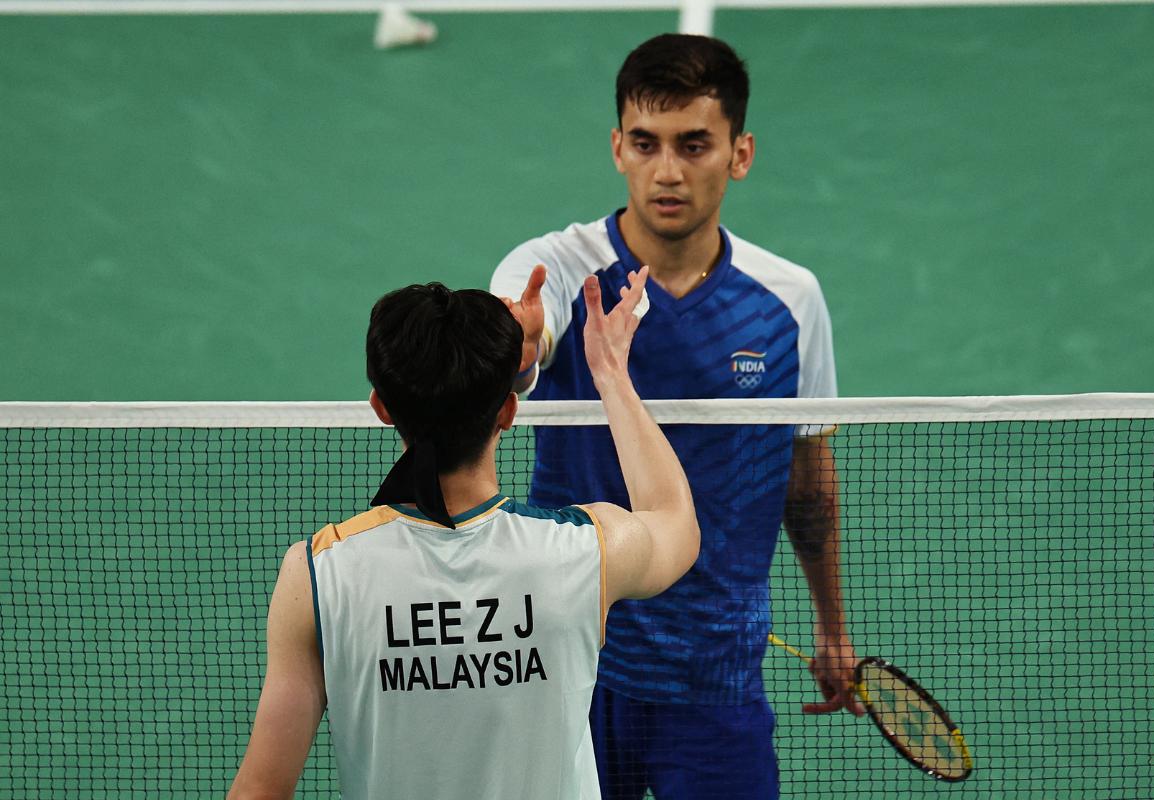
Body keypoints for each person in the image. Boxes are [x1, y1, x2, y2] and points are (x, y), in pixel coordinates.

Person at [491, 33, 862, 800]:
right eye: (646, 143)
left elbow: (809, 486)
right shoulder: (559, 269)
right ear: (617, 148)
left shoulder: (790, 303)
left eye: (694, 145)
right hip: (573, 671)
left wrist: (832, 625)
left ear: (740, 153)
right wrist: (517, 338)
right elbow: (525, 332)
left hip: (716, 678)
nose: (668, 171)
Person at [227, 267, 700, 800]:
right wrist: (611, 371)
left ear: (382, 407)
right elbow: (673, 519)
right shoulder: (586, 551)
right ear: (509, 410)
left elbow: (259, 792)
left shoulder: (319, 575)